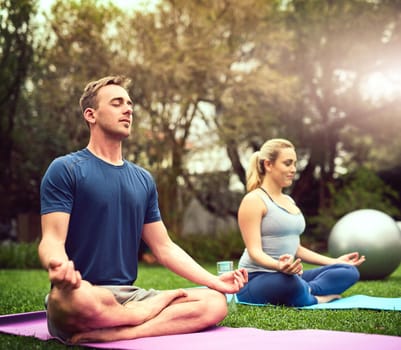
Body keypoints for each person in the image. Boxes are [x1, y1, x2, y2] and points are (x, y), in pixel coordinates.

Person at [38, 75, 248, 344]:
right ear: (90, 114)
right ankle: (140, 314)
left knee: (213, 303)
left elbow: (164, 248)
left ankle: (127, 328)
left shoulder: (143, 179)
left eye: (130, 104)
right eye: (117, 103)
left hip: (131, 295)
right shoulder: (65, 169)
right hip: (81, 292)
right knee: (81, 302)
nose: (128, 109)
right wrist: (58, 265)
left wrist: (215, 282)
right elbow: (52, 240)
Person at [236, 138, 365, 307]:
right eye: (287, 163)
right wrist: (278, 266)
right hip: (254, 279)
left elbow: (295, 247)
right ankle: (319, 297)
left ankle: (306, 290)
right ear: (268, 164)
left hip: (288, 275)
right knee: (290, 283)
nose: (293, 170)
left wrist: (335, 261)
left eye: (294, 164)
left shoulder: (288, 200)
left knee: (349, 271)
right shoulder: (254, 200)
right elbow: (254, 252)